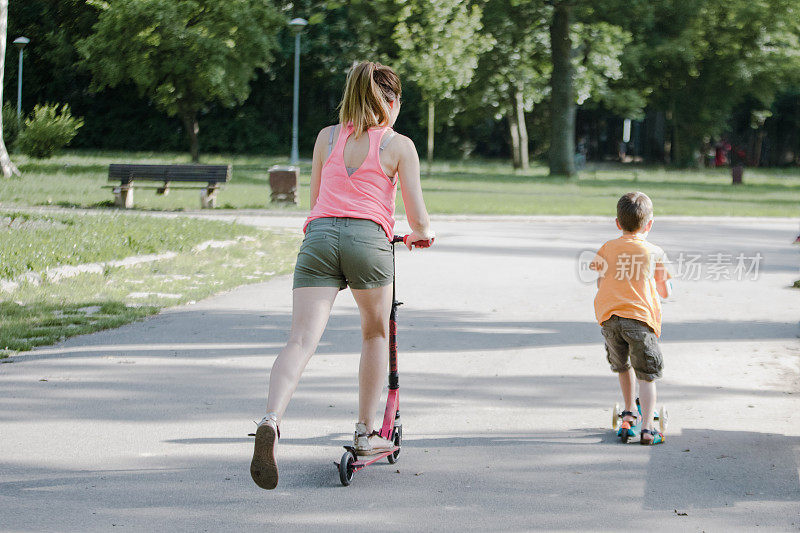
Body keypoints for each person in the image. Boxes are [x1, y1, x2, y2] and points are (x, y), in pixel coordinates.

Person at [250, 61, 434, 490]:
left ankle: (271, 419)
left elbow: (316, 200)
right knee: (373, 335)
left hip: (318, 238)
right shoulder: (398, 145)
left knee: (299, 340)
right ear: (390, 102)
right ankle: (366, 431)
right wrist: (417, 237)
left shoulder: (326, 137)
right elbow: (418, 219)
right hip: (368, 242)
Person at [590, 192, 672, 445]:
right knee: (647, 374)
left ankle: (629, 411)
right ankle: (648, 428)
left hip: (610, 318)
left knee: (623, 366)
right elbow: (664, 291)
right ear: (649, 224)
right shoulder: (655, 252)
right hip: (640, 320)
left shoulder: (607, 248)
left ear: (618, 222)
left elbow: (600, 282)